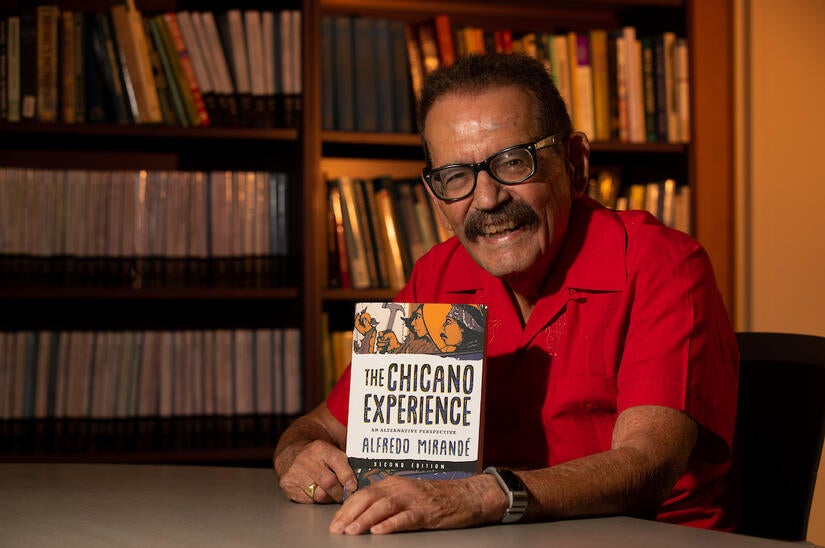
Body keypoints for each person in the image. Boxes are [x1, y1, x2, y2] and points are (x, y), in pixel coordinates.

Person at [273, 52, 739, 536]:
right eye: (456, 176)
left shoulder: (662, 264)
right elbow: (320, 427)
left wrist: (477, 496)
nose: (487, 198)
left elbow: (648, 464)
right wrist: (298, 456)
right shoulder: (437, 276)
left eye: (514, 162)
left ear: (575, 164)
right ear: (435, 197)